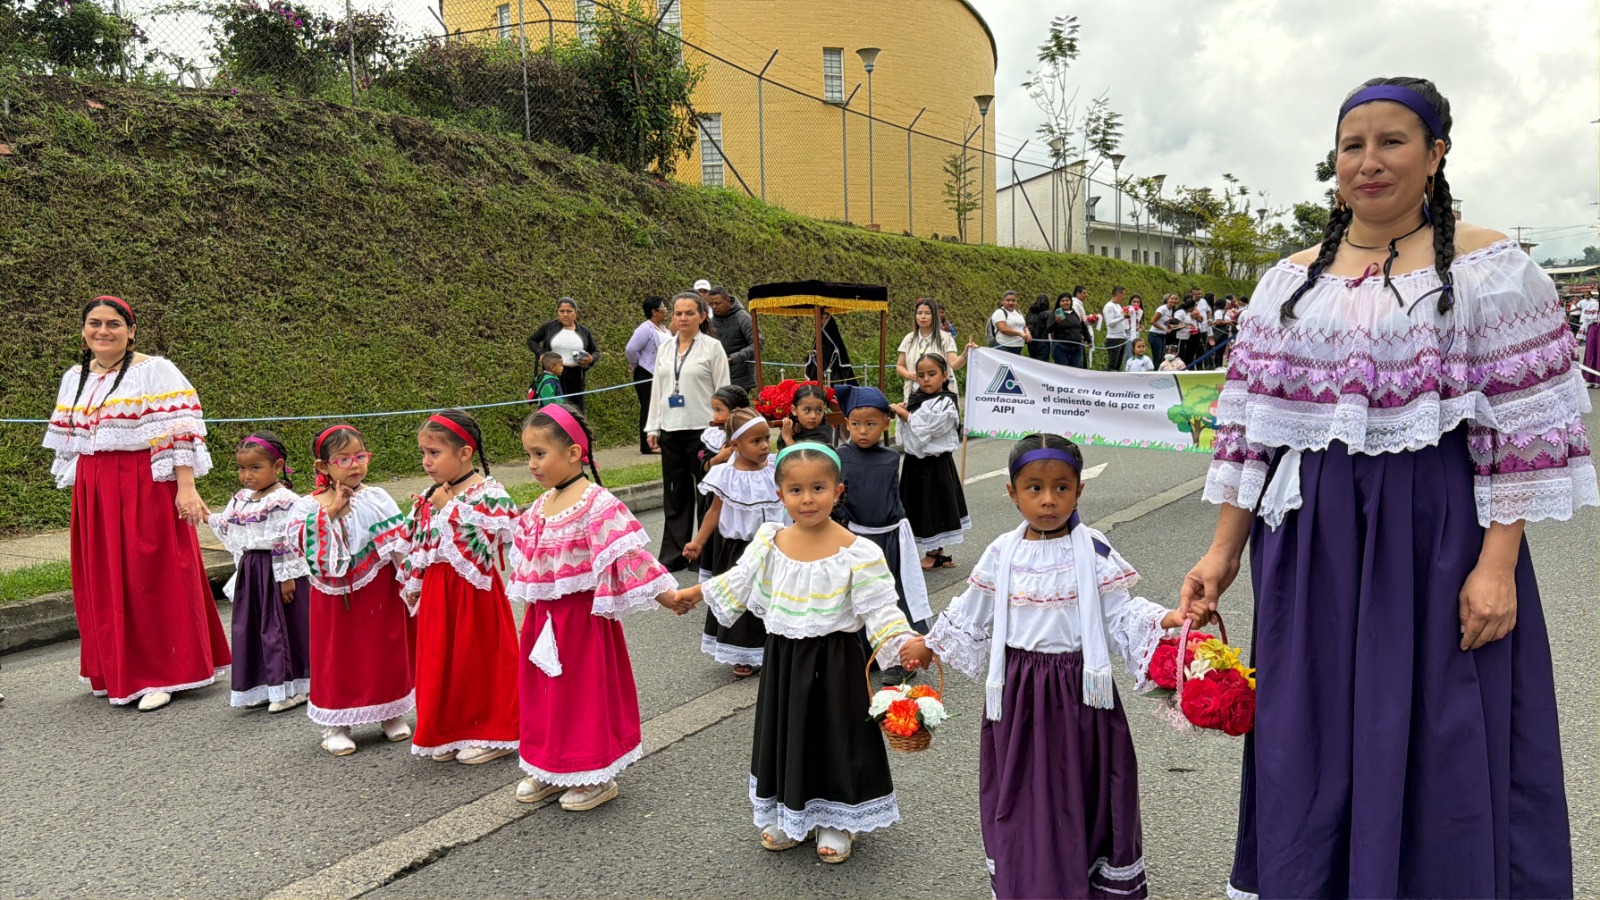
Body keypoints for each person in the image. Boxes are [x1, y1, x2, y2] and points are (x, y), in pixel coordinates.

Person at [1185, 76, 1594, 900]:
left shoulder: (1492, 272)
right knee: (1315, 728)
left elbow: (1516, 432)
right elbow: (1254, 427)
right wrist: (1223, 551)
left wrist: (1497, 564)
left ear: (1437, 154)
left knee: (1442, 723)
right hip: (1311, 542)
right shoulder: (1290, 282)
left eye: (1392, 141)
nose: (1368, 162)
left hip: (1436, 531)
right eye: (1352, 145)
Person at [901, 434, 1202, 899]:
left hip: (1082, 694)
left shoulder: (1094, 549)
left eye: (1061, 488)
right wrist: (930, 644)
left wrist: (1167, 618)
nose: (1048, 500)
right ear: (1012, 492)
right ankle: (1035, 881)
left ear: (1080, 491)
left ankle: (1087, 880)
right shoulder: (1002, 553)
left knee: (1086, 790)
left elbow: (1120, 613)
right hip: (1019, 694)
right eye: (1034, 488)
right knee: (1024, 797)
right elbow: (971, 609)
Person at [676, 444, 916, 864]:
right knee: (789, 731)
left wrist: (906, 645)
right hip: (785, 659)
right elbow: (737, 580)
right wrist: (692, 594)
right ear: (780, 493)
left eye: (818, 488)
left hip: (837, 660)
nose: (807, 499)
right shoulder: (770, 541)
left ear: (838, 491)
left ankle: (838, 819)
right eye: (796, 490)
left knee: (836, 734)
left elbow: (881, 609)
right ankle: (792, 813)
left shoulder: (859, 551)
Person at [44, 295, 231, 711]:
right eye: (95, 323)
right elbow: (76, 444)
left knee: (150, 575)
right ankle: (115, 670)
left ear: (131, 332)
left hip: (144, 482)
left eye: (114, 324)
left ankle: (163, 673)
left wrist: (186, 487)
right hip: (94, 489)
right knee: (103, 577)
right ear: (83, 329)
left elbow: (178, 430)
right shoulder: (75, 376)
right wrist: (85, 490)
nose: (103, 331)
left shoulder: (155, 370)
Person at [506, 404, 683, 811]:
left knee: (580, 695)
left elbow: (629, 558)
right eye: (528, 455)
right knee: (545, 694)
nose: (532, 464)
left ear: (572, 453)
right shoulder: (539, 508)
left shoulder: (595, 503)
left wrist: (668, 596)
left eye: (539, 454)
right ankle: (551, 767)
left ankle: (594, 773)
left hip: (582, 621)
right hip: (542, 620)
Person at [285, 424, 415, 756]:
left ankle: (390, 712)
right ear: (322, 467)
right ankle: (336, 725)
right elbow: (297, 543)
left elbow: (400, 543)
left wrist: (413, 580)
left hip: (379, 589)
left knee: (383, 647)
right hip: (334, 597)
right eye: (343, 459)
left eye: (360, 456)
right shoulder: (308, 506)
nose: (354, 464)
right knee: (338, 654)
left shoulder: (377, 498)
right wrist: (332, 512)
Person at [398, 411, 520, 765]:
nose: (426, 462)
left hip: (474, 589)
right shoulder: (432, 492)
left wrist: (448, 508)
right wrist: (416, 579)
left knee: (477, 657)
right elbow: (421, 542)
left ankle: (492, 731)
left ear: (465, 453)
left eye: (434, 453)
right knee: (443, 657)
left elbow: (492, 542)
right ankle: (451, 728)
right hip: (439, 587)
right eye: (423, 453)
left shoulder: (488, 493)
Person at [833, 385, 931, 686]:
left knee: (891, 594)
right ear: (846, 424)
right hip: (855, 539)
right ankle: (863, 650)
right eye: (856, 424)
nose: (863, 431)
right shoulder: (839, 456)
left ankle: (901, 656)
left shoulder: (890, 457)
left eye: (871, 424)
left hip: (889, 538)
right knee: (857, 595)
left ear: (885, 424)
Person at [208, 432, 310, 713]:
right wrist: (205, 516)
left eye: (255, 468)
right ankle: (264, 685)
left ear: (277, 467)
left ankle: (293, 687)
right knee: (253, 627)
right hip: (252, 572)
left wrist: (287, 577)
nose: (247, 475)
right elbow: (230, 526)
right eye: (242, 468)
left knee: (279, 628)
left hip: (276, 571)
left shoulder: (284, 499)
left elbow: (287, 539)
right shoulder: (242, 498)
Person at [685, 409, 782, 678]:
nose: (764, 446)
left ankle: (774, 649)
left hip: (775, 545)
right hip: (740, 549)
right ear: (735, 445)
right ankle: (743, 652)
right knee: (741, 600)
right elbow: (713, 511)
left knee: (774, 598)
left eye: (766, 438)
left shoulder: (774, 466)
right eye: (756, 441)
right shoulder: (726, 475)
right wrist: (698, 542)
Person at [645, 292, 731, 572]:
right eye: (678, 313)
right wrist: (653, 426)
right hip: (671, 428)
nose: (683, 318)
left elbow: (723, 390)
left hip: (703, 430)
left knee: (706, 490)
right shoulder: (665, 348)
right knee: (675, 492)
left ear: (702, 317)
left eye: (689, 313)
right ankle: (674, 553)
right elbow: (658, 389)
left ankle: (703, 551)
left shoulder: (712, 348)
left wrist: (724, 426)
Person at [889, 354, 970, 570]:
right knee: (921, 505)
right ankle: (937, 552)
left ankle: (934, 553)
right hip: (916, 463)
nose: (926, 380)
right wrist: (905, 411)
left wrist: (905, 414)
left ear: (944, 376)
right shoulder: (917, 399)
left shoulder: (946, 402)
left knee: (933, 505)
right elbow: (910, 433)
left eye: (932, 374)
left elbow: (928, 430)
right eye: (921, 375)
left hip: (935, 464)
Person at [696, 384, 751, 584]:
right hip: (717, 499)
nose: (715, 415)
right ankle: (716, 579)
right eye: (714, 410)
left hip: (740, 499)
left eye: (720, 410)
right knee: (716, 538)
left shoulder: (750, 437)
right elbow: (702, 466)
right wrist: (718, 458)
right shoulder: (712, 437)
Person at [527, 298, 600, 411]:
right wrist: (540, 354)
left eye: (569, 311)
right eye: (562, 311)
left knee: (575, 411)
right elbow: (531, 340)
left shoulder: (585, 332)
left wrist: (590, 359)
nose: (565, 314)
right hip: (552, 375)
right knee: (551, 410)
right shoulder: (548, 327)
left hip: (575, 377)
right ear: (557, 312)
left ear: (575, 313)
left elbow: (596, 352)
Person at [895, 298, 971, 404]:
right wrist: (908, 375)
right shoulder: (909, 339)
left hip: (941, 396)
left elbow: (954, 364)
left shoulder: (946, 338)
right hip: (915, 394)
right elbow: (900, 365)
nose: (923, 317)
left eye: (927, 313)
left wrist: (965, 354)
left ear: (934, 316)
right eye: (919, 313)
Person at [625, 296, 670, 454]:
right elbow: (631, 349)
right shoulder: (645, 328)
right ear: (654, 311)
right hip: (646, 373)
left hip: (663, 374)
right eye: (663, 308)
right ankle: (647, 445)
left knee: (662, 408)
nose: (666, 311)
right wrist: (636, 364)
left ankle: (662, 441)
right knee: (648, 408)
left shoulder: (665, 329)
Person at [707, 286, 760, 392]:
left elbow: (758, 344)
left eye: (717, 303)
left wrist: (733, 358)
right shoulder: (711, 321)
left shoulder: (742, 318)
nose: (714, 307)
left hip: (741, 380)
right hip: (718, 377)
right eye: (711, 304)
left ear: (727, 300)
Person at [804, 312, 860, 386]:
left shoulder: (833, 333)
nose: (824, 320)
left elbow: (840, 349)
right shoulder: (819, 332)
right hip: (819, 364)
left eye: (826, 318)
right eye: (822, 318)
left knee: (834, 381)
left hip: (833, 365)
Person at [777, 382, 833, 450]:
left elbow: (803, 459)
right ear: (794, 410)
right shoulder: (790, 428)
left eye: (819, 410)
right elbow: (778, 453)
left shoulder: (823, 432)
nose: (813, 416)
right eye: (807, 410)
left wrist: (788, 438)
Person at [1049, 292, 1089, 368]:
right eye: (1062, 301)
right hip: (1062, 347)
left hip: (1076, 347)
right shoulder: (1058, 312)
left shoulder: (1075, 313)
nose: (1065, 303)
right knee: (1064, 370)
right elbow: (1049, 329)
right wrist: (1056, 322)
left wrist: (1088, 339)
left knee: (1075, 370)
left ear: (1071, 301)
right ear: (1059, 303)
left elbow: (1083, 327)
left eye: (1067, 300)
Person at [1102, 286, 1131, 371]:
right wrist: (1123, 317)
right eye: (1124, 294)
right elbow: (1110, 323)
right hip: (1113, 338)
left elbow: (1122, 322)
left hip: (1121, 337)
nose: (1124, 297)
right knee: (1113, 364)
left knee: (1118, 364)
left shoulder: (1118, 306)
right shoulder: (1109, 306)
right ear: (1118, 294)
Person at [1148, 294, 1178, 361]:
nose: (1174, 300)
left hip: (1163, 335)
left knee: (1162, 356)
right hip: (1155, 334)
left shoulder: (1170, 310)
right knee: (1157, 356)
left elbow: (1166, 323)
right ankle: (1156, 370)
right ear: (1168, 300)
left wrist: (1177, 326)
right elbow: (1152, 321)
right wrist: (1164, 329)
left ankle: (1160, 370)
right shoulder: (1162, 309)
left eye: (1176, 299)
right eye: (1172, 298)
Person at [1025, 294, 1054, 361]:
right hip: (1043, 341)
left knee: (1033, 361)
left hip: (1031, 341)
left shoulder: (1030, 313)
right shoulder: (1048, 313)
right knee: (1042, 363)